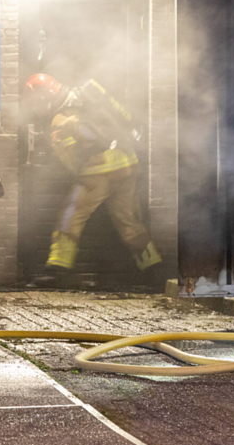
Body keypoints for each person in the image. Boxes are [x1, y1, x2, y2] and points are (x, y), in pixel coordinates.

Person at [22, 74, 162, 286]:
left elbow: (71, 160)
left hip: (99, 171)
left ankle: (56, 270)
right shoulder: (90, 94)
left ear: (44, 97)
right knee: (129, 221)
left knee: (71, 215)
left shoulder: (60, 121)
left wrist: (79, 174)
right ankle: (154, 269)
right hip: (127, 165)